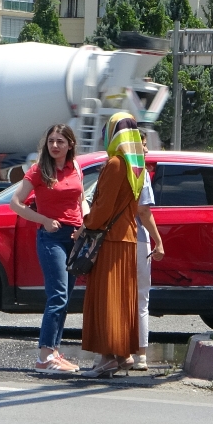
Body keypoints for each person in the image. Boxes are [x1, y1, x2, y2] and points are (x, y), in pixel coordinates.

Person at [10, 124, 85, 374]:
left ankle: (54, 352)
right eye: (51, 141)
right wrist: (43, 220)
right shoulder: (39, 170)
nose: (54, 146)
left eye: (60, 141)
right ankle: (44, 357)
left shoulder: (75, 167)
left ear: (70, 145)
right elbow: (15, 203)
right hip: (51, 237)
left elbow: (81, 199)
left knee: (64, 299)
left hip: (74, 237)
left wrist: (85, 225)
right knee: (57, 296)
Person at [81, 112, 144, 378]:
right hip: (127, 237)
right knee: (122, 299)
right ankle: (122, 354)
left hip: (109, 239)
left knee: (106, 298)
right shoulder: (135, 165)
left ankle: (107, 357)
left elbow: (103, 206)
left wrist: (87, 220)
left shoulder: (115, 163)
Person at [133, 130, 164, 371]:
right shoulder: (139, 173)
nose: (146, 150)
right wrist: (159, 241)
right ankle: (141, 354)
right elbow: (144, 211)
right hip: (138, 239)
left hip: (114, 241)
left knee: (120, 298)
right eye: (142, 145)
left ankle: (118, 352)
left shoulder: (110, 168)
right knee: (142, 299)